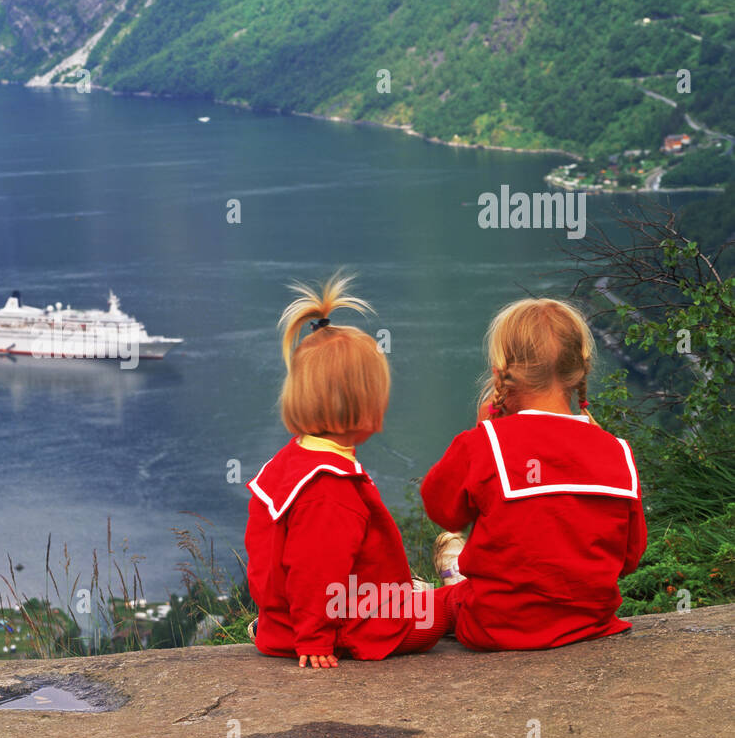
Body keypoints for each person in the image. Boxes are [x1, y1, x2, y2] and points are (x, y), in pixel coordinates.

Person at [244, 274, 453, 669]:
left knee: (407, 595)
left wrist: (289, 626)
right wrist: (315, 639)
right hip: (352, 628)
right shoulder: (330, 489)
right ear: (365, 406)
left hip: (286, 624)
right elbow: (314, 571)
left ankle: (413, 591)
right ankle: (454, 582)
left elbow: (278, 562)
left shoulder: (291, 463)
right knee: (451, 608)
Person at [419, 297, 648, 650]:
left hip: (495, 625)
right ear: (581, 371)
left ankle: (453, 579)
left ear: (500, 374)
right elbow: (630, 558)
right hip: (591, 621)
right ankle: (457, 574)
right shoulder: (618, 451)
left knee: (435, 605)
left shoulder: (485, 441)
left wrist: (480, 434)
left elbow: (442, 510)